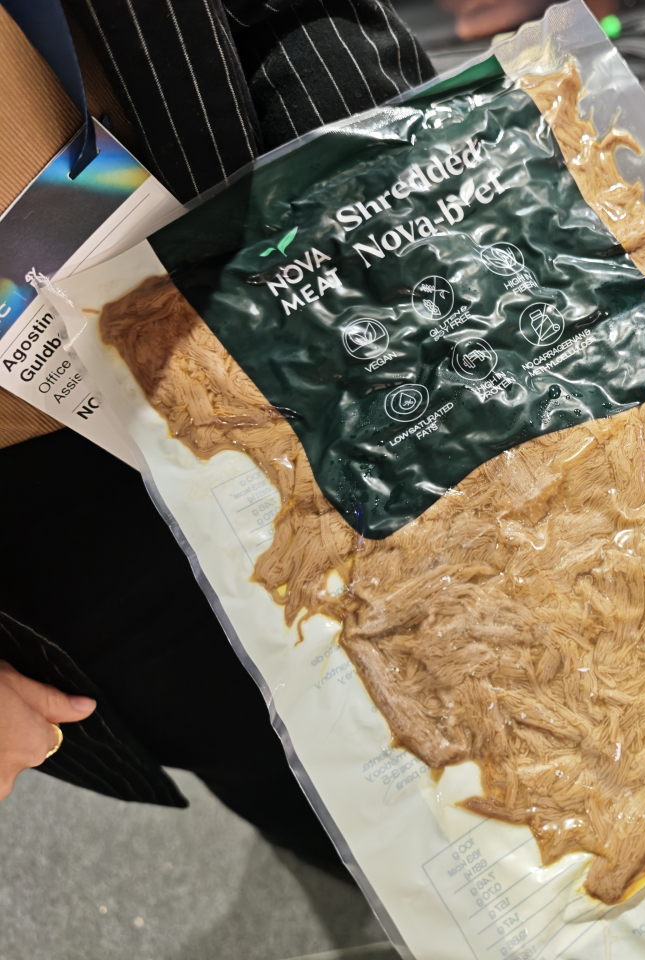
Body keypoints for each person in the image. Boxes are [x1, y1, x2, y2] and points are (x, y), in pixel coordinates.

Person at [0, 0, 434, 878]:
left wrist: (385, 210)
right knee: (306, 782)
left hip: (271, 256)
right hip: (49, 505)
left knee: (554, 641)